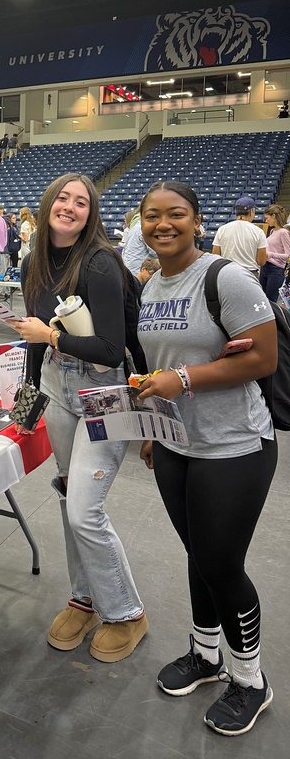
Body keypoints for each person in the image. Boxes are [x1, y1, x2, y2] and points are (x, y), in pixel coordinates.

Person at [136, 180, 276, 736]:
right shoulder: (150, 287)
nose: (163, 224)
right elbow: (160, 368)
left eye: (175, 215)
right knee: (199, 555)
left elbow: (262, 359)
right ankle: (206, 654)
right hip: (176, 445)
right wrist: (154, 428)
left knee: (221, 563)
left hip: (235, 444)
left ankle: (251, 679)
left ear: (197, 220)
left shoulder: (227, 278)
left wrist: (185, 379)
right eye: (152, 216)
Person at [7, 173, 147, 663]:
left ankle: (127, 612)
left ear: (92, 213)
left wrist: (49, 337)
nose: (70, 207)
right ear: (47, 205)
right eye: (63, 198)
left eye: (81, 202)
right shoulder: (34, 262)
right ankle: (84, 599)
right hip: (55, 385)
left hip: (103, 391)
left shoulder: (101, 262)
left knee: (86, 508)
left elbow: (111, 350)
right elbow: (32, 340)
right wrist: (28, 406)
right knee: (70, 495)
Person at [212, 196, 267, 275]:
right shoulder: (258, 232)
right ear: (251, 212)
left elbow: (215, 256)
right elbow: (261, 261)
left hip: (226, 272)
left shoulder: (222, 229)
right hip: (249, 273)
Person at [259, 203, 290, 303]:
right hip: (265, 267)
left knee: (271, 301)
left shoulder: (283, 232)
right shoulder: (272, 231)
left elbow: (287, 255)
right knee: (263, 299)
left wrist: (269, 254)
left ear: (274, 216)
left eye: (267, 218)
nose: (266, 220)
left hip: (276, 269)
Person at [122, 208, 154, 275]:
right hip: (137, 269)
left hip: (129, 267)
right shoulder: (142, 229)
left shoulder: (134, 227)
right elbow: (154, 252)